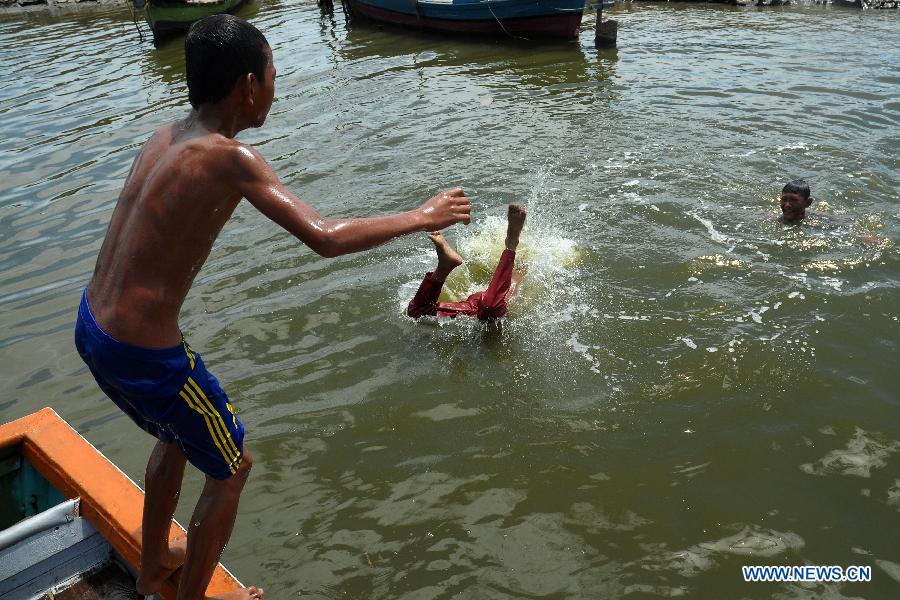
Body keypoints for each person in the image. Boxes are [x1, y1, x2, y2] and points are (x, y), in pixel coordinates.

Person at [73, 14, 470, 600]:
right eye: (274, 73)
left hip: (93, 329)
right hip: (142, 354)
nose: (277, 85)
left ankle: (156, 563)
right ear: (246, 87)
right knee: (233, 467)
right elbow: (327, 236)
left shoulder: (165, 136)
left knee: (178, 434)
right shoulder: (231, 157)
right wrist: (423, 215)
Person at [407, 204, 526, 320]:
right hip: (479, 308)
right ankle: (445, 266)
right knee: (416, 313)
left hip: (484, 306)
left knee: (417, 311)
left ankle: (511, 245)